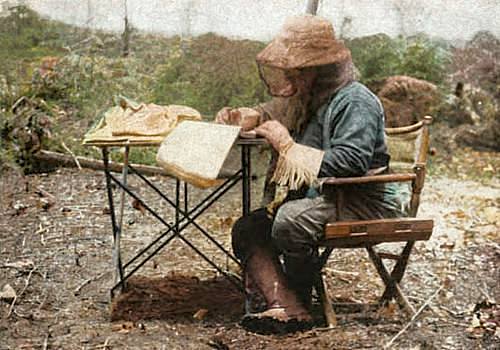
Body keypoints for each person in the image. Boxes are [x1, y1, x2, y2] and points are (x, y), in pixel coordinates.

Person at [216, 15, 406, 333]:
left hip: (366, 198)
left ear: (318, 70)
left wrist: (287, 145)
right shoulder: (315, 100)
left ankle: (300, 301)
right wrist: (248, 116)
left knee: (290, 219)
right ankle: (285, 304)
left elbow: (351, 162)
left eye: (298, 71)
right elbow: (277, 111)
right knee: (250, 227)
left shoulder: (356, 101)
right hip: (331, 195)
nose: (292, 78)